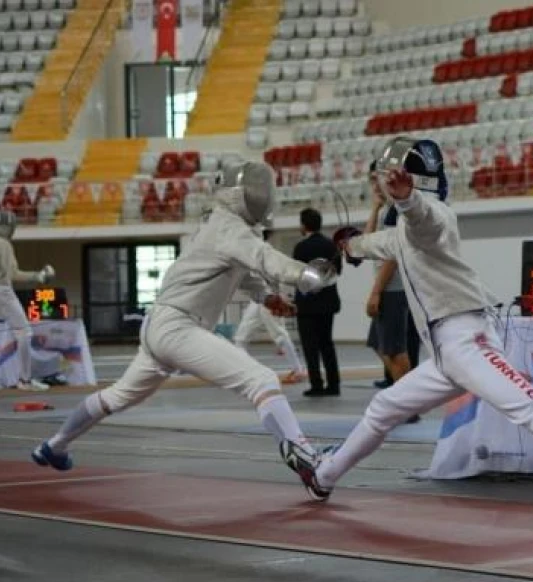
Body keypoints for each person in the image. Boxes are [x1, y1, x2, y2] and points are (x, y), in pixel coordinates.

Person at [283, 137, 533, 522]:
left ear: (413, 181)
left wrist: (405, 201)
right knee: (384, 408)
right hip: (445, 354)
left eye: (394, 179)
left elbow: (423, 222)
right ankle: (323, 476)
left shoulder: (434, 216)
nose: (387, 184)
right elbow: (373, 243)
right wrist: (348, 245)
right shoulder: (401, 232)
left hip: (468, 339)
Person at [30, 161, 337, 480]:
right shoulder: (229, 227)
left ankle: (54, 445)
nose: (262, 196)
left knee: (116, 397)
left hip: (158, 327)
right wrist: (305, 274)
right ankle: (309, 464)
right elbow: (264, 259)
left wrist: (269, 298)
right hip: (177, 327)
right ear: (236, 195)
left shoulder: (223, 227)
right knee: (261, 380)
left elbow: (243, 273)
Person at [0, 209, 54, 393]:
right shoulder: (3, 245)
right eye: (8, 226)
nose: (10, 230)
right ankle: (25, 380)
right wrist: (38, 276)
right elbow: (13, 274)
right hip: (0, 290)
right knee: (24, 332)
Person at [363, 161, 420, 423]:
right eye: (372, 181)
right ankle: (405, 398)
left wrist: (376, 292)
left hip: (393, 288)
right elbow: (367, 243)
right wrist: (374, 207)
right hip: (387, 288)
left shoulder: (398, 212)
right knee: (379, 343)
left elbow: (392, 257)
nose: (375, 185)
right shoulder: (386, 210)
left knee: (396, 350)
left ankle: (408, 405)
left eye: (378, 180)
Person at [233, 228, 308, 384]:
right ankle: (243, 372)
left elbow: (274, 275)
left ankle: (298, 370)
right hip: (259, 299)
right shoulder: (252, 250)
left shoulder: (265, 251)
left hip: (270, 299)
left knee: (279, 335)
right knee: (241, 336)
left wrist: (275, 297)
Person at [293, 208, 342, 397]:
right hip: (328, 302)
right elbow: (337, 271)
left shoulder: (301, 248)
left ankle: (316, 384)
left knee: (310, 346)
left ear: (304, 225)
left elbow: (297, 274)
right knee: (327, 344)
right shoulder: (331, 246)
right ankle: (334, 384)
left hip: (307, 304)